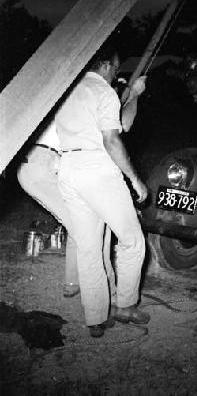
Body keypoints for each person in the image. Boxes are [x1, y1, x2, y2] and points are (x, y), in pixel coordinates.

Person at [17, 76, 147, 301]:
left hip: (32, 163)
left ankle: (72, 283)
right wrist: (134, 96)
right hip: (46, 162)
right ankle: (111, 293)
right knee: (96, 235)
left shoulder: (68, 89)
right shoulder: (92, 96)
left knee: (80, 226)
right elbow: (122, 126)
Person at [55, 45, 149, 338]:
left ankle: (95, 319)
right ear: (107, 65)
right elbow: (112, 139)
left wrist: (132, 96)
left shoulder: (66, 91)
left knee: (88, 247)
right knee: (133, 240)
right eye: (116, 67)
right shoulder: (103, 92)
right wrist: (134, 179)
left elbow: (121, 122)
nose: (115, 73)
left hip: (67, 169)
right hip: (96, 168)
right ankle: (125, 306)